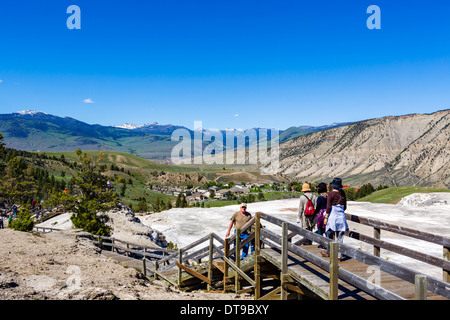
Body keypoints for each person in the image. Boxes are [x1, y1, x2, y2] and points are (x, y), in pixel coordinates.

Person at [321, 178, 348, 260]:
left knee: (329, 233)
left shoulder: (331, 194)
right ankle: (339, 255)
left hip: (333, 217)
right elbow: (345, 207)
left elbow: (328, 207)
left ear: (333, 186)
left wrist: (326, 217)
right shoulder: (343, 194)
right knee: (340, 237)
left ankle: (328, 251)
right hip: (341, 218)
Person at [314, 182, 328, 248]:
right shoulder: (328, 196)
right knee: (326, 229)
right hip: (328, 213)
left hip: (321, 214)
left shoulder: (320, 198)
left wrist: (313, 215)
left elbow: (317, 208)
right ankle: (328, 244)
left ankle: (322, 244)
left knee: (320, 229)